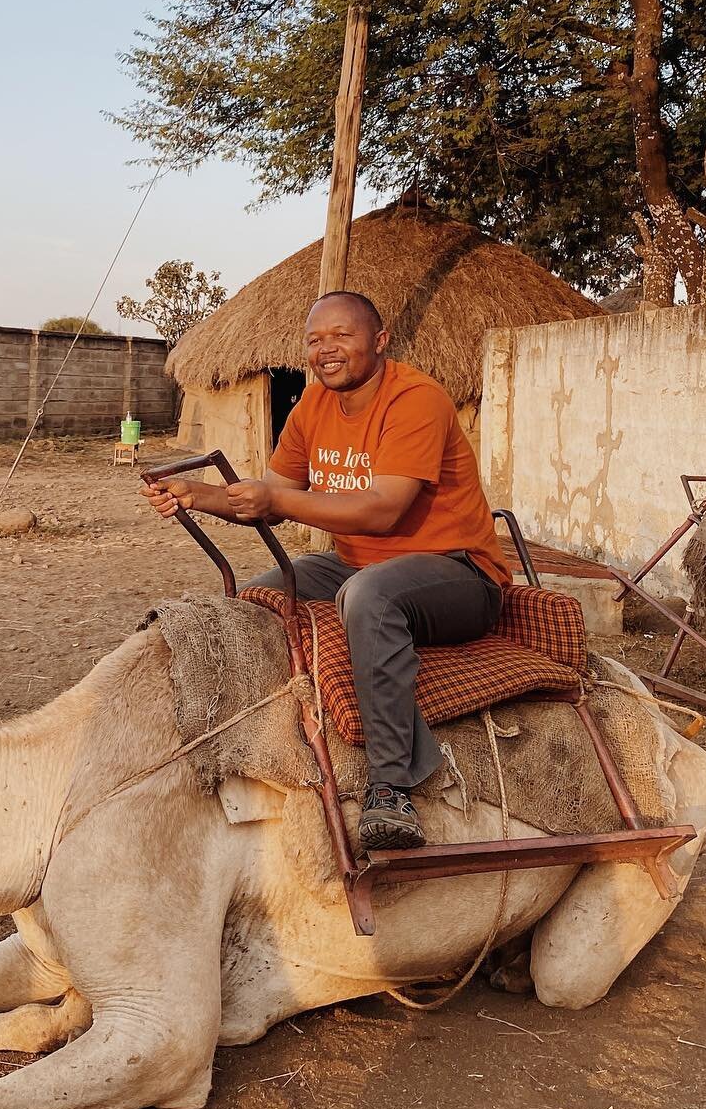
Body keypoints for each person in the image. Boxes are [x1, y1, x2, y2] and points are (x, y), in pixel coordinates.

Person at [142, 291, 509, 851]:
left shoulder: (416, 400)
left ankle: (392, 784)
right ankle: (243, 745)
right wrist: (198, 495)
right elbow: (267, 497)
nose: (326, 350)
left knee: (370, 599)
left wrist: (273, 502)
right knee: (251, 601)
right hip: (357, 562)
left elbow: (382, 509)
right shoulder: (311, 407)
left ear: (380, 341)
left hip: (457, 571)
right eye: (315, 340)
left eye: (342, 336)